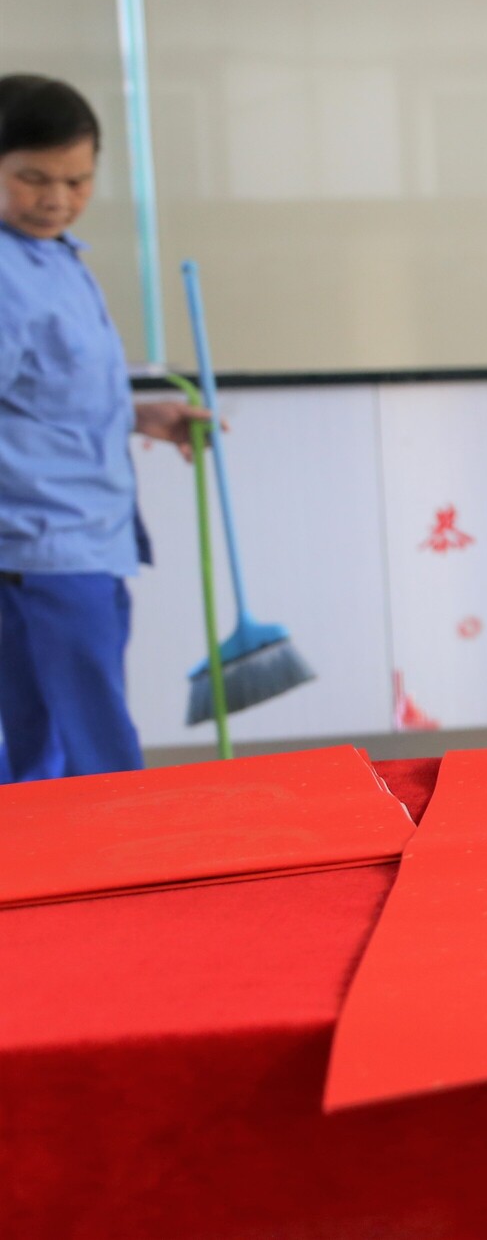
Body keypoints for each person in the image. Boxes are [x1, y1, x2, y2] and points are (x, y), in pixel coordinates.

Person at [0, 74, 206, 782]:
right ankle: (116, 847)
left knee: (53, 733)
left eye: (78, 180)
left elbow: (45, 393)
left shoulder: (55, 255)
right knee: (85, 740)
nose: (57, 199)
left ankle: (46, 845)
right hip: (42, 545)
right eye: (33, 178)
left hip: (82, 535)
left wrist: (140, 414)